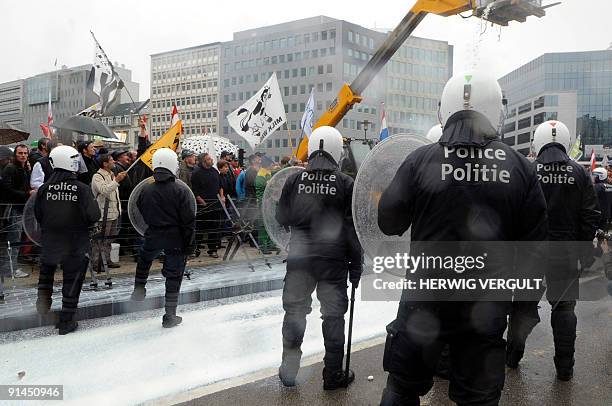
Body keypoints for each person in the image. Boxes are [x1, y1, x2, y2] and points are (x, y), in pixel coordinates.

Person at [377, 71, 548, 406]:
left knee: (402, 389)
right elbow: (534, 256)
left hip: (423, 302)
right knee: (477, 400)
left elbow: (387, 221)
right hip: (485, 307)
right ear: (497, 110)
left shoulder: (419, 160)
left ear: (445, 109)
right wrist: (522, 317)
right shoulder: (520, 168)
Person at [506, 120, 599, 381]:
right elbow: (590, 214)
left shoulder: (527, 169)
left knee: (522, 307)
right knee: (565, 309)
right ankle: (565, 369)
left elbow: (512, 212)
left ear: (537, 141)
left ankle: (512, 358)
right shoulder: (580, 173)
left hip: (530, 253)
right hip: (566, 252)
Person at [276, 126, 363, 390]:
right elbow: (353, 229)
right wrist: (357, 265)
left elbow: (281, 217)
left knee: (294, 312)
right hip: (333, 261)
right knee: (334, 316)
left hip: (300, 258)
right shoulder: (346, 183)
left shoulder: (294, 181)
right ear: (337, 151)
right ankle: (333, 374)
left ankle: (289, 371)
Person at [35, 145, 101, 335]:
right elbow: (94, 215)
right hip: (75, 241)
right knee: (72, 280)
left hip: (51, 240)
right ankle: (66, 321)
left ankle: (43, 303)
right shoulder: (81, 188)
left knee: (46, 272)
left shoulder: (44, 189)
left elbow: (38, 214)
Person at [130, 148, 196, 328]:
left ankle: (139, 287)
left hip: (153, 232)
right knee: (174, 276)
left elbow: (139, 207)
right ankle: (170, 315)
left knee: (145, 259)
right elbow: (188, 220)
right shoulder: (180, 190)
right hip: (175, 237)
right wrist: (190, 243)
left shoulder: (146, 189)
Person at [91, 154, 127, 270]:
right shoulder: (97, 176)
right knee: (100, 239)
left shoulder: (111, 174)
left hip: (114, 212)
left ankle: (107, 260)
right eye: (111, 160)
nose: (114, 162)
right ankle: (97, 263)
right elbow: (104, 190)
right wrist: (116, 180)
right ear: (105, 164)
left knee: (110, 239)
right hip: (103, 214)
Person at [1, 144, 33, 278]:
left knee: (17, 239)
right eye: (20, 153)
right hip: (14, 208)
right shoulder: (11, 168)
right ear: (15, 155)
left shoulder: (23, 168)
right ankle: (10, 269)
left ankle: (11, 267)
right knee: (14, 239)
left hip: (21, 207)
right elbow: (7, 189)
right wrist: (27, 194)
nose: (23, 156)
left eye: (25, 153)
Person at [191, 153, 224, 258]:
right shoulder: (196, 173)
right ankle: (196, 248)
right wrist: (201, 201)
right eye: (209, 159)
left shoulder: (215, 171)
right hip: (203, 206)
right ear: (203, 161)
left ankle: (212, 249)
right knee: (200, 228)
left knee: (214, 228)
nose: (211, 160)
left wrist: (222, 197)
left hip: (215, 204)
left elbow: (220, 186)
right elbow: (194, 190)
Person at [255, 156, 276, 253]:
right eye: (272, 163)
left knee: (270, 224)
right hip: (264, 204)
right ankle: (263, 246)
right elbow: (260, 190)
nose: (273, 165)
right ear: (268, 164)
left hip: (270, 203)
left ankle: (270, 244)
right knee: (263, 225)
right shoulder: (261, 175)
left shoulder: (268, 172)